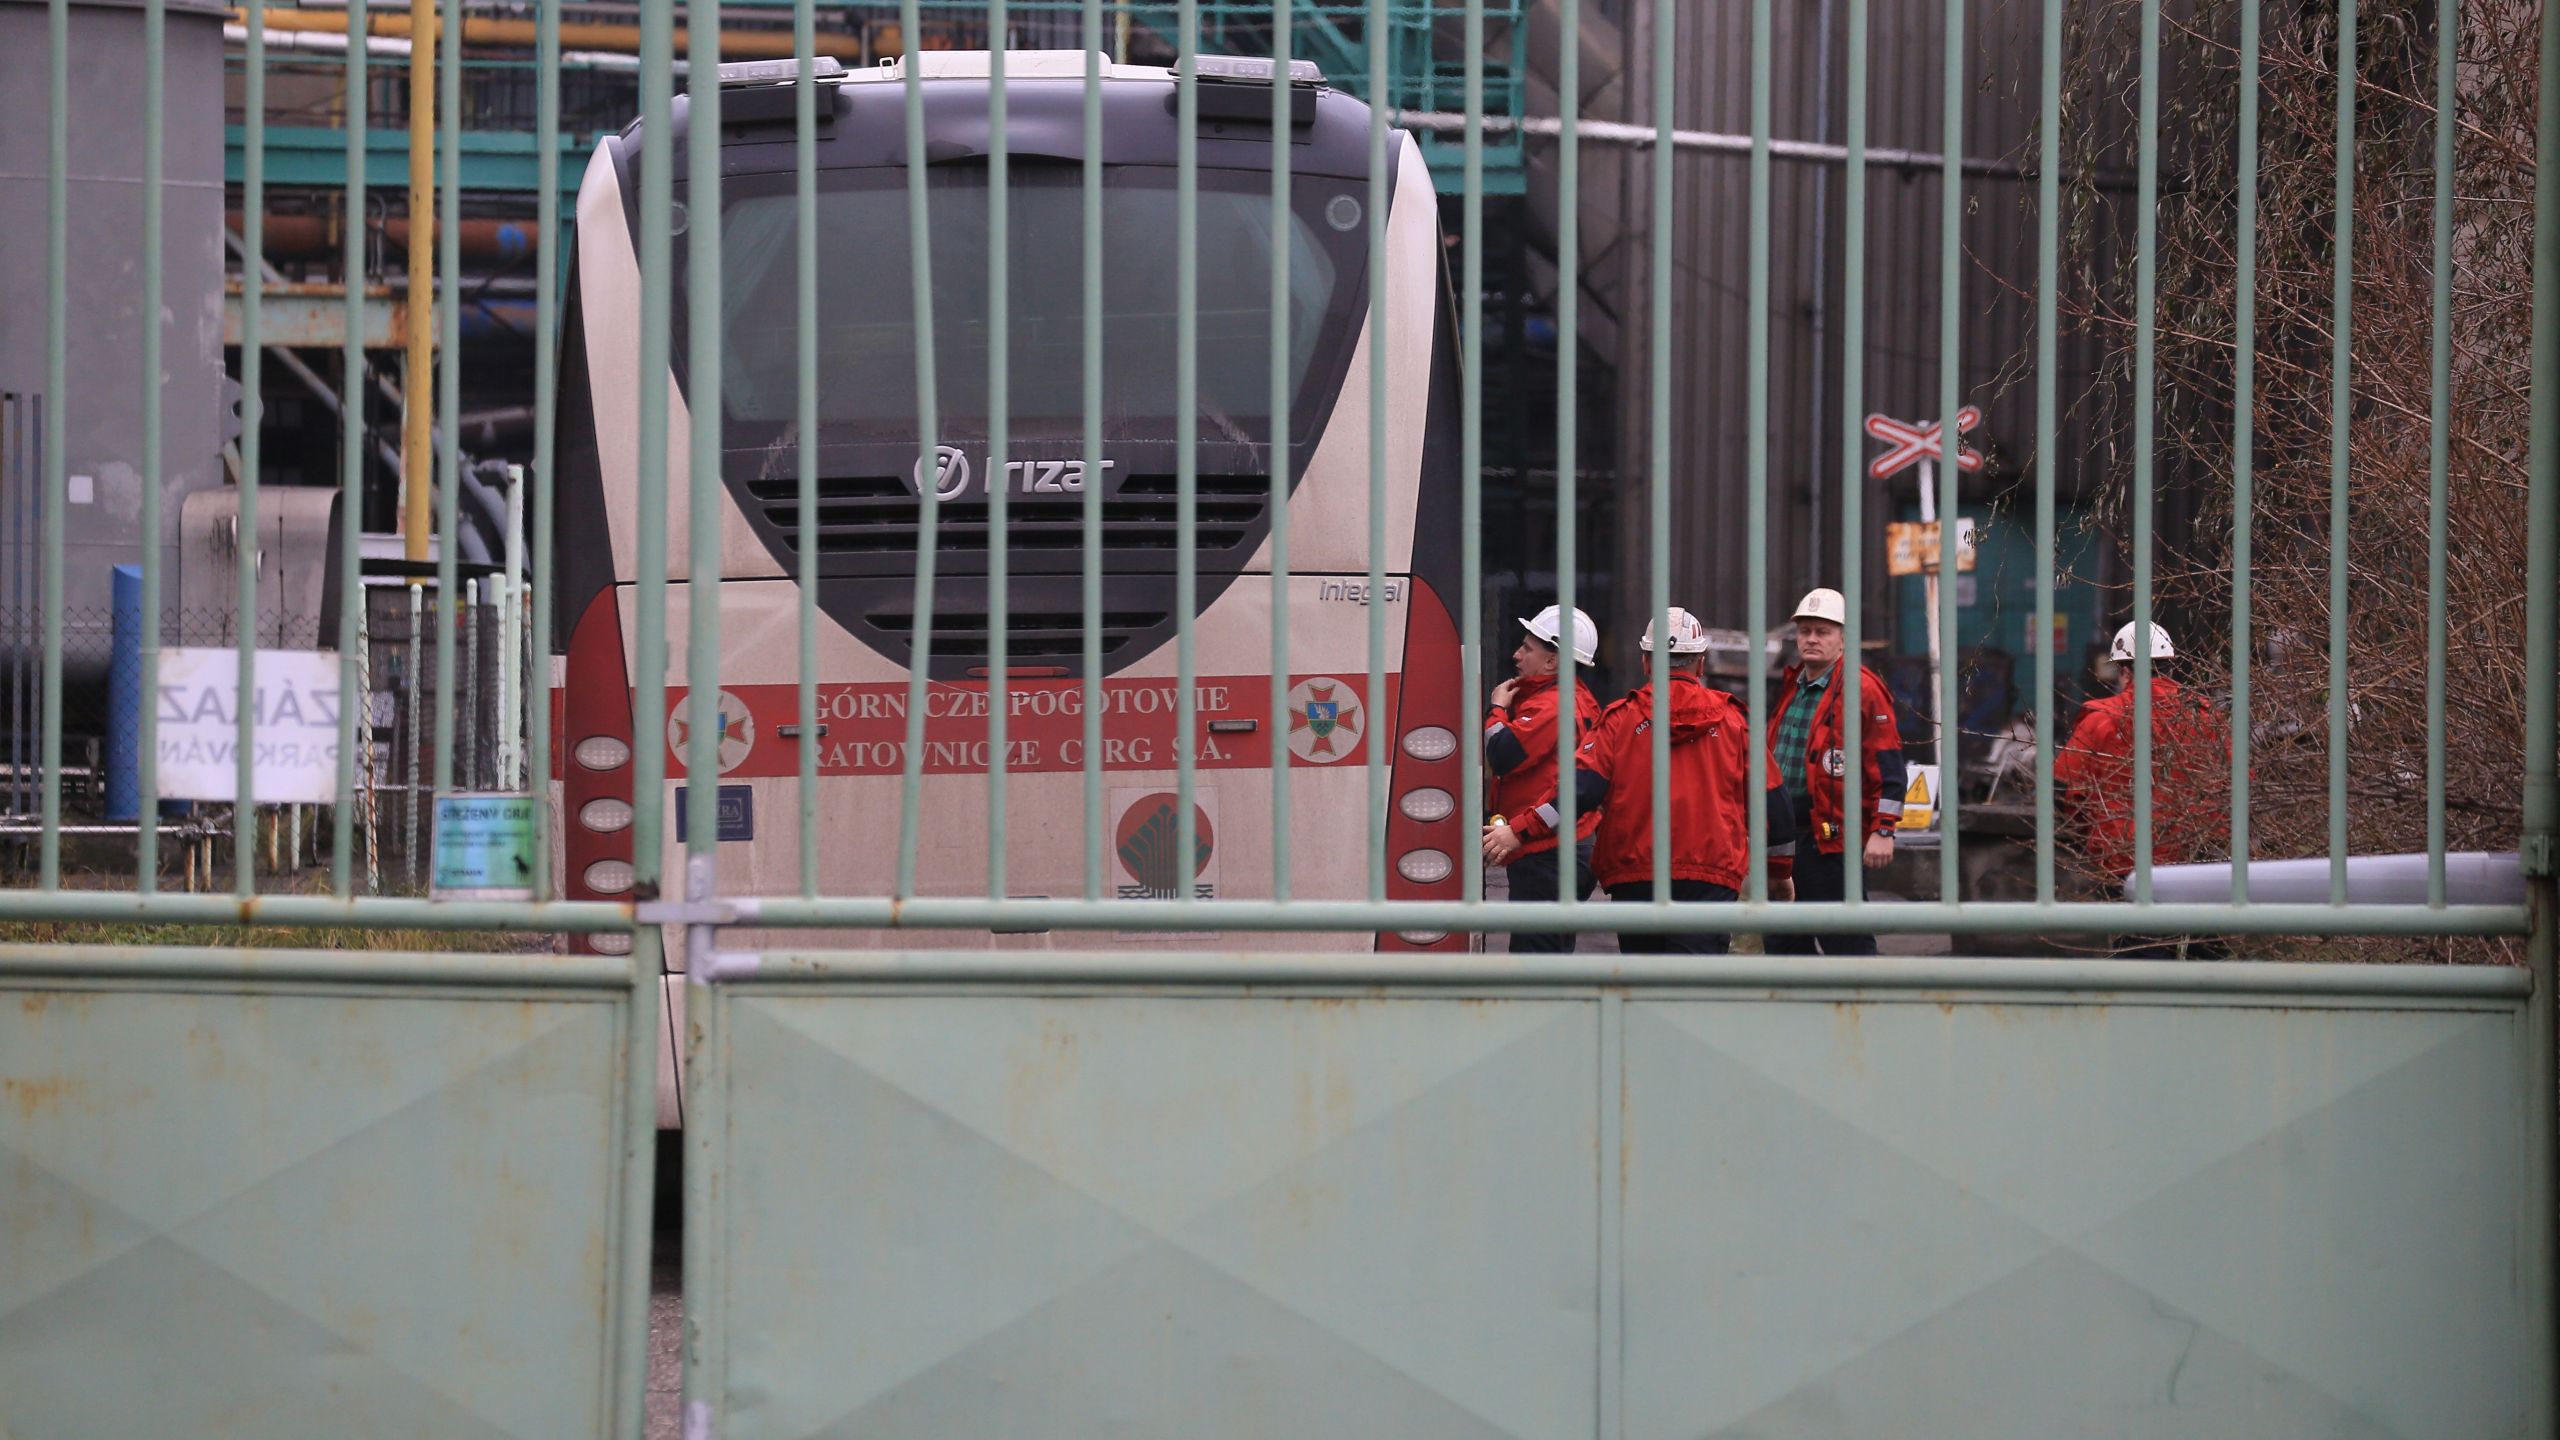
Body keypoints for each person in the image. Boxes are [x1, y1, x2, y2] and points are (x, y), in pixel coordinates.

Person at [1485, 607, 1793, 954]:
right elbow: (1774, 803)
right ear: (1701, 663)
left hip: (1636, 877)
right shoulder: (1736, 722)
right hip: (1710, 879)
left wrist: (1518, 830)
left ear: (1646, 662)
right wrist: (1780, 873)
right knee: (1695, 987)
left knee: (1642, 986)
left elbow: (1579, 793)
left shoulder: (1619, 721)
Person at [2055, 620, 2233, 957]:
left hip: (2126, 867)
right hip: (2199, 866)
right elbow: (2238, 786)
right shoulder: (2207, 717)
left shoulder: (2100, 720)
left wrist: (2090, 837)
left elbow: (2065, 791)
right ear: (2170, 666)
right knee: (2207, 966)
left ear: (2124, 671)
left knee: (2139, 963)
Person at [1766, 587, 1909, 956]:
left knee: (1845, 940)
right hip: (1783, 838)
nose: (1811, 639)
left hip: (1830, 839)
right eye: (1805, 631)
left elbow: (1889, 766)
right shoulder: (1793, 686)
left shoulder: (1863, 690)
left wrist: (1883, 831)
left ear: (1842, 638)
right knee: (1782, 941)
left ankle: (1865, 1010)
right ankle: (1801, 1013)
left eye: (1822, 631)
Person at [1481, 604, 1603, 952]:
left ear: (1552, 662)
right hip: (1554, 848)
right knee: (1549, 959)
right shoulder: (1568, 699)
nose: (1516, 655)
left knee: (1536, 963)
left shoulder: (1553, 706)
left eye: (1527, 648)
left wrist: (1497, 709)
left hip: (1548, 852)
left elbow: (1502, 753)